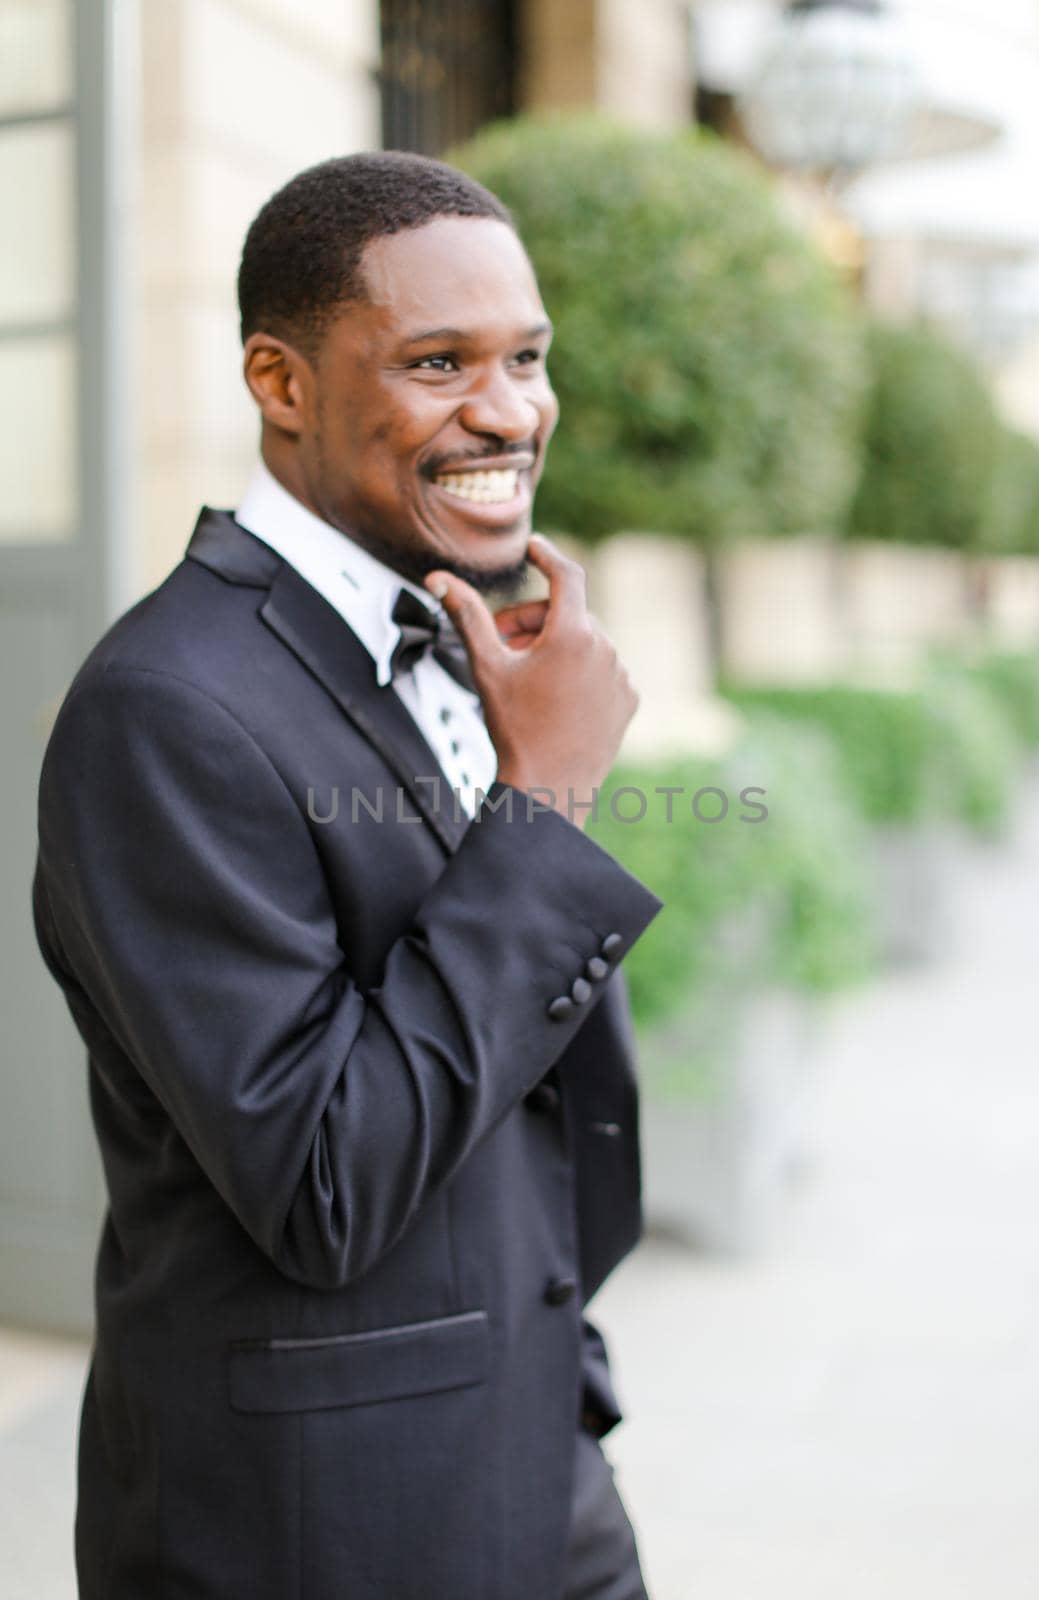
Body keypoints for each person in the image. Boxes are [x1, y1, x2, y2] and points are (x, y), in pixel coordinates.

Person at [33, 151, 663, 1600]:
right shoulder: (166, 707)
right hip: (319, 1526)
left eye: (526, 359)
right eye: (439, 362)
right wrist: (549, 797)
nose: (507, 411)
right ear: (284, 382)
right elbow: (323, 1175)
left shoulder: (450, 627)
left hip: (537, 1462)